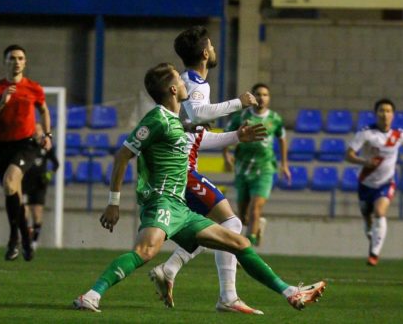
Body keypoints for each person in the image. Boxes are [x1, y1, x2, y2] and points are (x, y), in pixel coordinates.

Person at [73, 62, 326, 313]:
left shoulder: (173, 121)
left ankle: (291, 292)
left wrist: (225, 134)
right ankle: (92, 295)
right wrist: (113, 203)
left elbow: (178, 131)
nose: (184, 83)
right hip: (162, 201)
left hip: (181, 209)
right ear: (173, 90)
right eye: (180, 81)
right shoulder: (156, 118)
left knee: (239, 243)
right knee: (145, 251)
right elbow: (122, 156)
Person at [150, 26, 262, 314]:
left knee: (212, 229)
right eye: (211, 45)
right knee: (231, 225)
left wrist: (236, 136)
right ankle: (227, 297)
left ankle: (171, 268)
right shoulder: (196, 85)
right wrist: (239, 103)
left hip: (181, 169)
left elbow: (196, 136)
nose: (213, 49)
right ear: (204, 53)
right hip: (181, 171)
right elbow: (199, 114)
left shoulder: (191, 84)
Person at [0, 44, 52, 261]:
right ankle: (26, 242)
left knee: (10, 182)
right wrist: (2, 102)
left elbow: (44, 109)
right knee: (12, 192)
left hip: (26, 144)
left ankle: (13, 238)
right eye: (12, 58)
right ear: (5, 62)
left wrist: (48, 135)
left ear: (25, 62)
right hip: (2, 146)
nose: (17, 61)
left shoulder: (33, 88)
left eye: (20, 58)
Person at [346, 98, 403, 266]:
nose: (385, 114)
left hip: (386, 183)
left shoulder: (399, 135)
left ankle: (374, 254)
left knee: (379, 212)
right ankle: (371, 234)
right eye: (381, 111)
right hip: (365, 183)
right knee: (367, 217)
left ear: (393, 115)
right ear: (376, 113)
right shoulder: (366, 133)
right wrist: (364, 162)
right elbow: (348, 154)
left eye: (388, 111)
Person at [223, 83, 291, 247]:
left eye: (265, 94)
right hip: (243, 168)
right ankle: (257, 226)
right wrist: (226, 155)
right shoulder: (241, 117)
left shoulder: (275, 119)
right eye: (258, 94)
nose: (262, 97)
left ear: (269, 98)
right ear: (253, 97)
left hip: (265, 169)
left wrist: (284, 164)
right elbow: (226, 135)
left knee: (255, 209)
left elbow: (282, 139)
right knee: (243, 215)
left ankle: (249, 247)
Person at [23, 122, 59, 251]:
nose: (36, 131)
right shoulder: (27, 145)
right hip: (25, 183)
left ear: (43, 131)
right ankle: (26, 237)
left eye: (39, 129)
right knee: (24, 212)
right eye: (34, 129)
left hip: (40, 184)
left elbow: (56, 164)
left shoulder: (46, 147)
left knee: (37, 214)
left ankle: (34, 241)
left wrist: (50, 173)